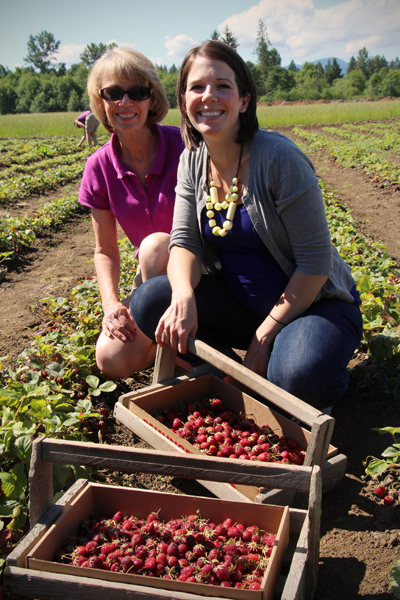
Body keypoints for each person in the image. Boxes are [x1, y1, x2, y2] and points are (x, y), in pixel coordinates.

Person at [130, 40, 363, 411]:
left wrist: (265, 334)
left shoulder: (278, 159)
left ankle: (314, 378)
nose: (209, 96)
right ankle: (232, 383)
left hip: (313, 306)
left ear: (244, 99)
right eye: (197, 87)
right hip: (243, 306)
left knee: (299, 375)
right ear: (183, 100)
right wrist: (184, 296)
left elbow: (316, 264)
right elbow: (184, 241)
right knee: (150, 300)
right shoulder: (192, 161)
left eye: (223, 86)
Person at [78, 47, 184, 379]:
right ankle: (165, 341)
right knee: (111, 359)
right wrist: (111, 305)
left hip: (203, 270)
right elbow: (105, 250)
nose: (125, 103)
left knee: (154, 247)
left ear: (152, 100)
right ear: (101, 102)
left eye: (137, 92)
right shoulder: (98, 167)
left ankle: (181, 349)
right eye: (113, 93)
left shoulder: (185, 146)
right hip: (152, 279)